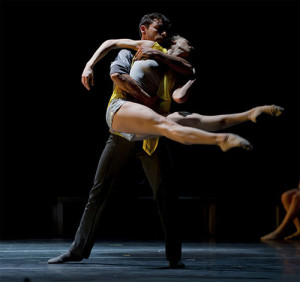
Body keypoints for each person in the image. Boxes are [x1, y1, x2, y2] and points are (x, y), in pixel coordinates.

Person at [48, 12, 193, 269]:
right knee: (99, 190)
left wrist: (164, 59)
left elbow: (187, 75)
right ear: (143, 30)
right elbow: (118, 75)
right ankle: (77, 250)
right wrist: (90, 65)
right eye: (158, 29)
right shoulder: (130, 51)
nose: (163, 35)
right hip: (124, 133)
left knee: (166, 194)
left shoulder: (165, 58)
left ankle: (174, 256)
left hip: (153, 136)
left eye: (166, 32)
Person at [81, 36, 284, 153]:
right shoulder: (151, 46)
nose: (192, 47)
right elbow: (112, 47)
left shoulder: (176, 72)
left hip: (141, 120)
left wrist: (193, 75)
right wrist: (90, 65)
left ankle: (249, 113)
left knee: (194, 119)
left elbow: (179, 97)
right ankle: (220, 140)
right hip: (121, 109)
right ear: (175, 42)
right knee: (167, 125)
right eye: (188, 43)